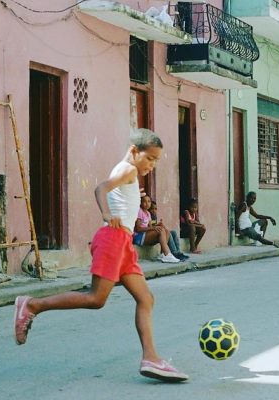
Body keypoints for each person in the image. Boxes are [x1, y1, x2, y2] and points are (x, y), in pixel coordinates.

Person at [12, 129, 188, 382]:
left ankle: (151, 358)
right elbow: (101, 188)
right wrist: (106, 213)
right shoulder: (127, 169)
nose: (152, 165)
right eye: (150, 158)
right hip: (113, 239)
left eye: (157, 161)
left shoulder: (129, 173)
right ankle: (31, 305)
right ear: (134, 151)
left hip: (123, 243)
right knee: (96, 299)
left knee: (146, 299)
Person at [135, 195, 180, 263]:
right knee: (161, 230)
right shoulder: (139, 211)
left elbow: (150, 226)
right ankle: (167, 254)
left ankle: (163, 255)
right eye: (144, 201)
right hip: (139, 237)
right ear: (140, 202)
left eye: (149, 201)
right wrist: (154, 227)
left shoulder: (148, 213)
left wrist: (157, 225)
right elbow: (138, 229)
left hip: (146, 236)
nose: (147, 203)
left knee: (166, 231)